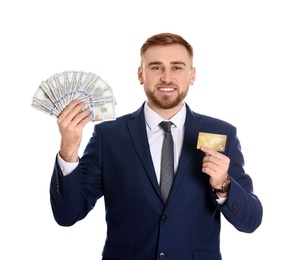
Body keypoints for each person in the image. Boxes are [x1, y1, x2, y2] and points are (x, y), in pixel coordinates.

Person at [50, 32, 263, 260]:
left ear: (192, 75)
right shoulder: (108, 136)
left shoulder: (221, 133)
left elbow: (250, 221)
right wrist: (69, 149)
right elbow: (67, 215)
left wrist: (223, 185)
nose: (166, 77)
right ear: (141, 74)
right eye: (156, 67)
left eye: (177, 67)